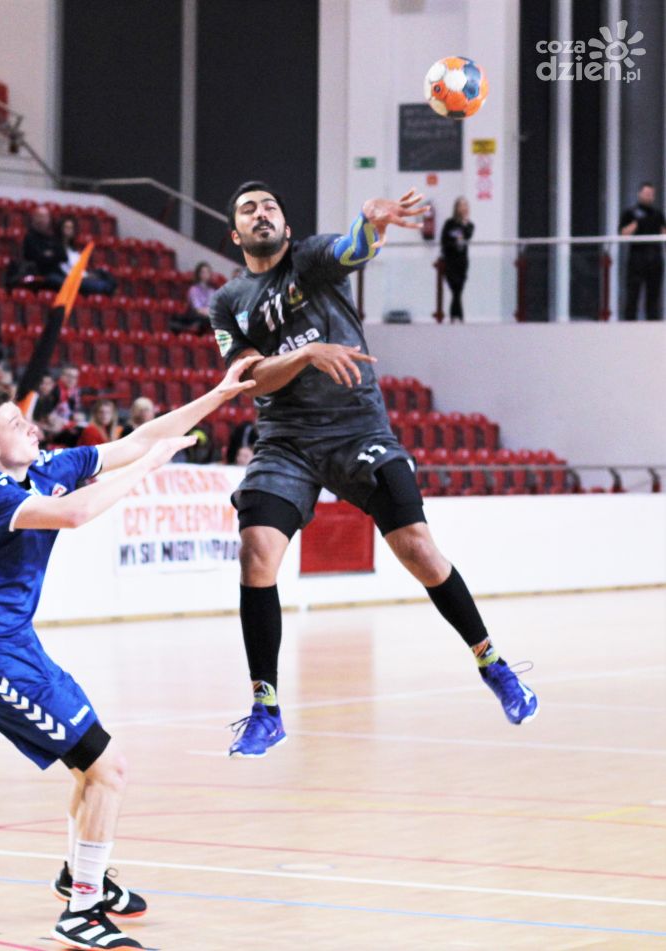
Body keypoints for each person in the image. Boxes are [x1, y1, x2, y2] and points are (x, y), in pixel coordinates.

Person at [209, 180, 538, 759]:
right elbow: (250, 381)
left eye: (271, 206)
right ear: (235, 235)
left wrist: (370, 223)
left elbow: (352, 249)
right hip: (286, 440)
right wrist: (307, 354)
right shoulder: (228, 301)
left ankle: (494, 664)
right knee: (256, 551)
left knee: (418, 549)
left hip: (358, 428)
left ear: (286, 226)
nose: (261, 214)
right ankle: (266, 709)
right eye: (248, 210)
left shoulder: (311, 259)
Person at [0, 357, 258, 948]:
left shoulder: (42, 467)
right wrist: (148, 468)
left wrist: (218, 394)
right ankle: (81, 912)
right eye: (15, 424)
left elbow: (139, 439)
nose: (31, 427)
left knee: (91, 770)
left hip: (21, 648)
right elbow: (76, 512)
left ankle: (79, 877)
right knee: (108, 769)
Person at [619, 182, 666, 321]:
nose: (648, 196)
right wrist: (637, 222)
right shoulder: (630, 213)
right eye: (646, 193)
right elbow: (623, 233)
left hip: (654, 257)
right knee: (633, 292)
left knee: (654, 293)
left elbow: (664, 231)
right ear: (639, 194)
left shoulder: (657, 214)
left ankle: (653, 323)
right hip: (637, 258)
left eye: (651, 194)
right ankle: (629, 323)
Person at [440, 197, 473, 322]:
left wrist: (464, 224)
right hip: (450, 260)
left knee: (459, 289)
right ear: (456, 208)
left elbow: (468, 235)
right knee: (454, 288)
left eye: (466, 205)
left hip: (462, 261)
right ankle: (458, 316)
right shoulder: (449, 223)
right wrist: (454, 239)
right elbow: (444, 239)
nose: (464, 208)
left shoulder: (470, 225)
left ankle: (455, 316)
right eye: (461, 205)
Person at [174, 261, 215, 333]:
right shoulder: (193, 289)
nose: (205, 274)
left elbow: (212, 306)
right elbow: (197, 308)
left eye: (207, 272)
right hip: (196, 316)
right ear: (199, 274)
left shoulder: (212, 291)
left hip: (208, 316)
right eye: (203, 272)